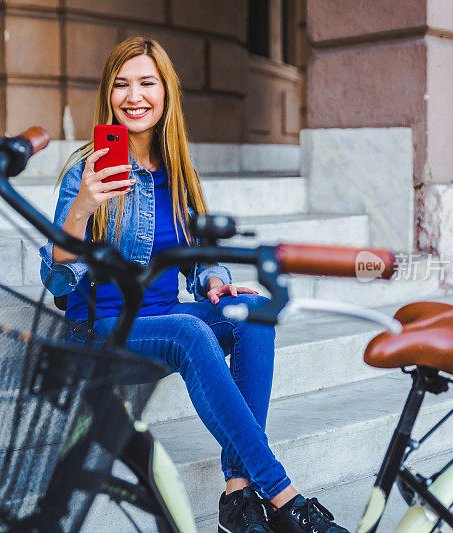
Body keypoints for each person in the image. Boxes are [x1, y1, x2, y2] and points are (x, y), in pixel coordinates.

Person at [40, 37, 348, 533]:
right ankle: (284, 496)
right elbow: (56, 279)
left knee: (252, 315)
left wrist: (217, 285)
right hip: (99, 332)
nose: (133, 96)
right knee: (190, 332)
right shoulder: (86, 169)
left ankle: (236, 494)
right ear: (108, 94)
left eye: (146, 83)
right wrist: (81, 211)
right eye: (121, 85)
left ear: (166, 94)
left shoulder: (179, 170)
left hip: (163, 321)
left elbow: (200, 258)